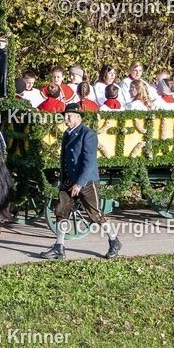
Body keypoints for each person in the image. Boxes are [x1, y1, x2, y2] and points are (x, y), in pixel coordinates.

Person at [39, 103, 121, 260]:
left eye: (69, 115)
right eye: (65, 115)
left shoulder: (87, 134)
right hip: (68, 181)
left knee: (95, 215)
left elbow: (89, 162)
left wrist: (79, 183)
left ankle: (114, 241)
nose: (66, 118)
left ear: (78, 117)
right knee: (61, 211)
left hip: (86, 181)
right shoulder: (67, 134)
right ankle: (59, 247)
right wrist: (65, 179)